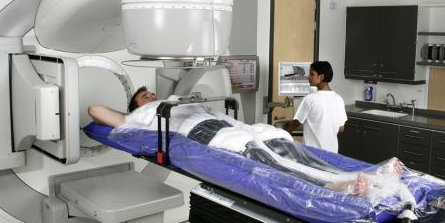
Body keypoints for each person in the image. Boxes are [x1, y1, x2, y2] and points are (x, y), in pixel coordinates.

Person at [89, 86, 405, 200]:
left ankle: (366, 176)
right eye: (143, 96)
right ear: (136, 106)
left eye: (150, 93)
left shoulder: (174, 100)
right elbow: (95, 111)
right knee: (273, 163)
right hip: (209, 133)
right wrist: (132, 112)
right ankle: (338, 187)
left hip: (238, 126)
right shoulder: (139, 117)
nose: (150, 96)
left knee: (291, 149)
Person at [283, 61, 347, 153]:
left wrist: (283, 129)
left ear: (321, 77)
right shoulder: (339, 99)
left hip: (312, 153)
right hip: (332, 153)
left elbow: (295, 124)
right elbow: (341, 128)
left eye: (312, 74)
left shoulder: (310, 99)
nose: (308, 77)